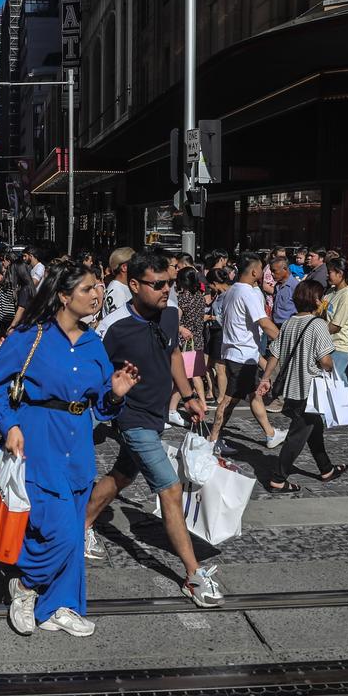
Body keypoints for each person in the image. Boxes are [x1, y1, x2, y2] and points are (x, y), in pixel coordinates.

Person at [0, 262, 137, 636]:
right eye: (87, 289)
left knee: (61, 530)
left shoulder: (93, 344)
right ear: (64, 296)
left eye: (98, 287)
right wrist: (10, 425)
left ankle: (59, 605)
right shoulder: (28, 337)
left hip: (78, 446)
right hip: (37, 442)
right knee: (65, 532)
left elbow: (100, 407)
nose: (97, 294)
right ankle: (26, 585)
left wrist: (115, 394)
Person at [84, 252, 220, 606]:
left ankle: (80, 525)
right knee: (170, 488)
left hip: (156, 416)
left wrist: (189, 395)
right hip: (131, 419)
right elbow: (90, 370)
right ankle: (193, 576)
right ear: (134, 284)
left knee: (121, 476)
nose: (166, 290)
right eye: (157, 284)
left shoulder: (170, 313)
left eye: (169, 283)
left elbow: (174, 354)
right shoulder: (114, 326)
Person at [256, 280, 348, 493]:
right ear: (316, 300)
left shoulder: (289, 322)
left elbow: (275, 354)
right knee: (297, 436)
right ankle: (278, 479)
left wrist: (266, 378)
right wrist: (330, 366)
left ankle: (326, 469)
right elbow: (325, 360)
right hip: (310, 389)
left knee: (314, 428)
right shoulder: (318, 324)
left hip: (292, 388)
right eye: (322, 297)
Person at [207, 253, 285, 456]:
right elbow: (264, 322)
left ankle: (270, 434)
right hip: (242, 355)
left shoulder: (233, 290)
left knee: (254, 395)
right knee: (229, 401)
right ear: (253, 271)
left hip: (238, 353)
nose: (262, 272)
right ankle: (212, 439)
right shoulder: (248, 293)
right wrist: (286, 340)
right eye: (261, 269)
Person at [172, 266, 208, 411]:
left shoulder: (183, 298)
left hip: (186, 341)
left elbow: (176, 320)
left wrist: (180, 328)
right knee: (195, 374)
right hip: (198, 337)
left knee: (189, 375)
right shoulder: (200, 296)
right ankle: (202, 403)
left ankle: (200, 403)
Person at [325, 257, 348, 384]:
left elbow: (336, 326)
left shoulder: (347, 295)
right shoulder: (330, 291)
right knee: (336, 383)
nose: (327, 275)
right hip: (328, 345)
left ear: (340, 273)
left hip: (339, 346)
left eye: (330, 272)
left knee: (336, 383)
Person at [4, 259, 35, 334]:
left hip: (24, 323)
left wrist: (12, 326)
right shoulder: (30, 285)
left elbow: (21, 309)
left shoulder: (24, 289)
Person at [270, 258, 297, 329]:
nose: (272, 274)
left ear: (285, 269)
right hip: (275, 326)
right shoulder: (277, 286)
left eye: (274, 271)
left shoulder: (295, 286)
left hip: (288, 327)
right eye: (271, 271)